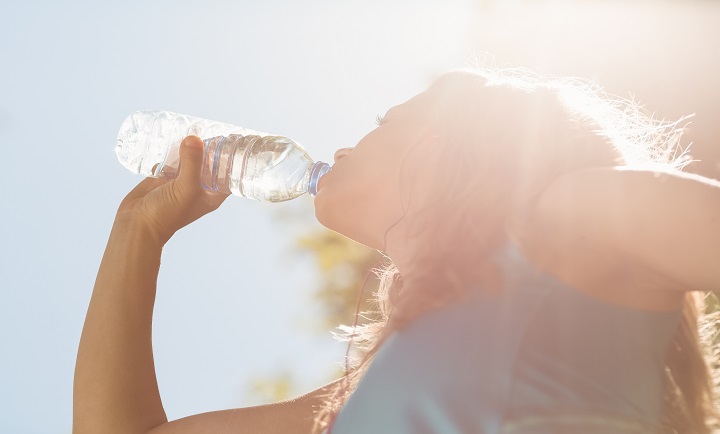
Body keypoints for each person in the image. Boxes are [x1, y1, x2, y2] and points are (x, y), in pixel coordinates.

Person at [73, 68, 720, 434]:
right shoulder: (349, 402)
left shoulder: (567, 217)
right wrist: (138, 232)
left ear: (455, 143)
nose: (350, 146)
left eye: (384, 121)